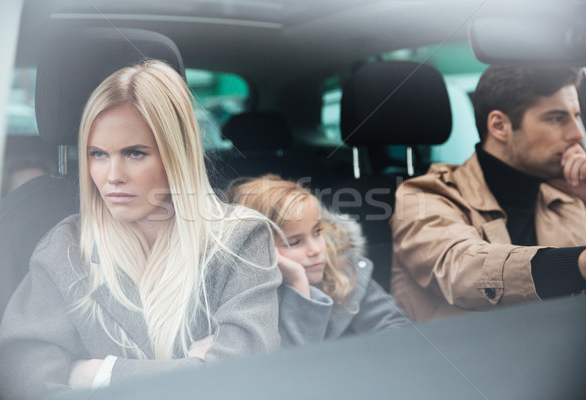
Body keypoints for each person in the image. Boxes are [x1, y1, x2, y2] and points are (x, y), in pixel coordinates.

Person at [0, 60, 281, 399]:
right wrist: (193, 368)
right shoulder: (67, 248)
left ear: (179, 154)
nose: (112, 175)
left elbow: (242, 378)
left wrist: (101, 375)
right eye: (98, 154)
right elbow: (25, 382)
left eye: (134, 153)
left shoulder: (241, 240)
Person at [390, 66, 586, 322]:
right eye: (556, 118)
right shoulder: (423, 196)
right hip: (464, 358)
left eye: (576, 116)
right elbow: (460, 271)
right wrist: (576, 264)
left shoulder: (569, 193)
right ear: (499, 125)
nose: (577, 133)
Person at [228, 175, 409, 347]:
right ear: (257, 252)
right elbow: (292, 364)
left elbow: (399, 330)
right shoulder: (245, 304)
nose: (315, 250)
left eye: (317, 231)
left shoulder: (342, 268)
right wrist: (298, 283)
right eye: (294, 242)